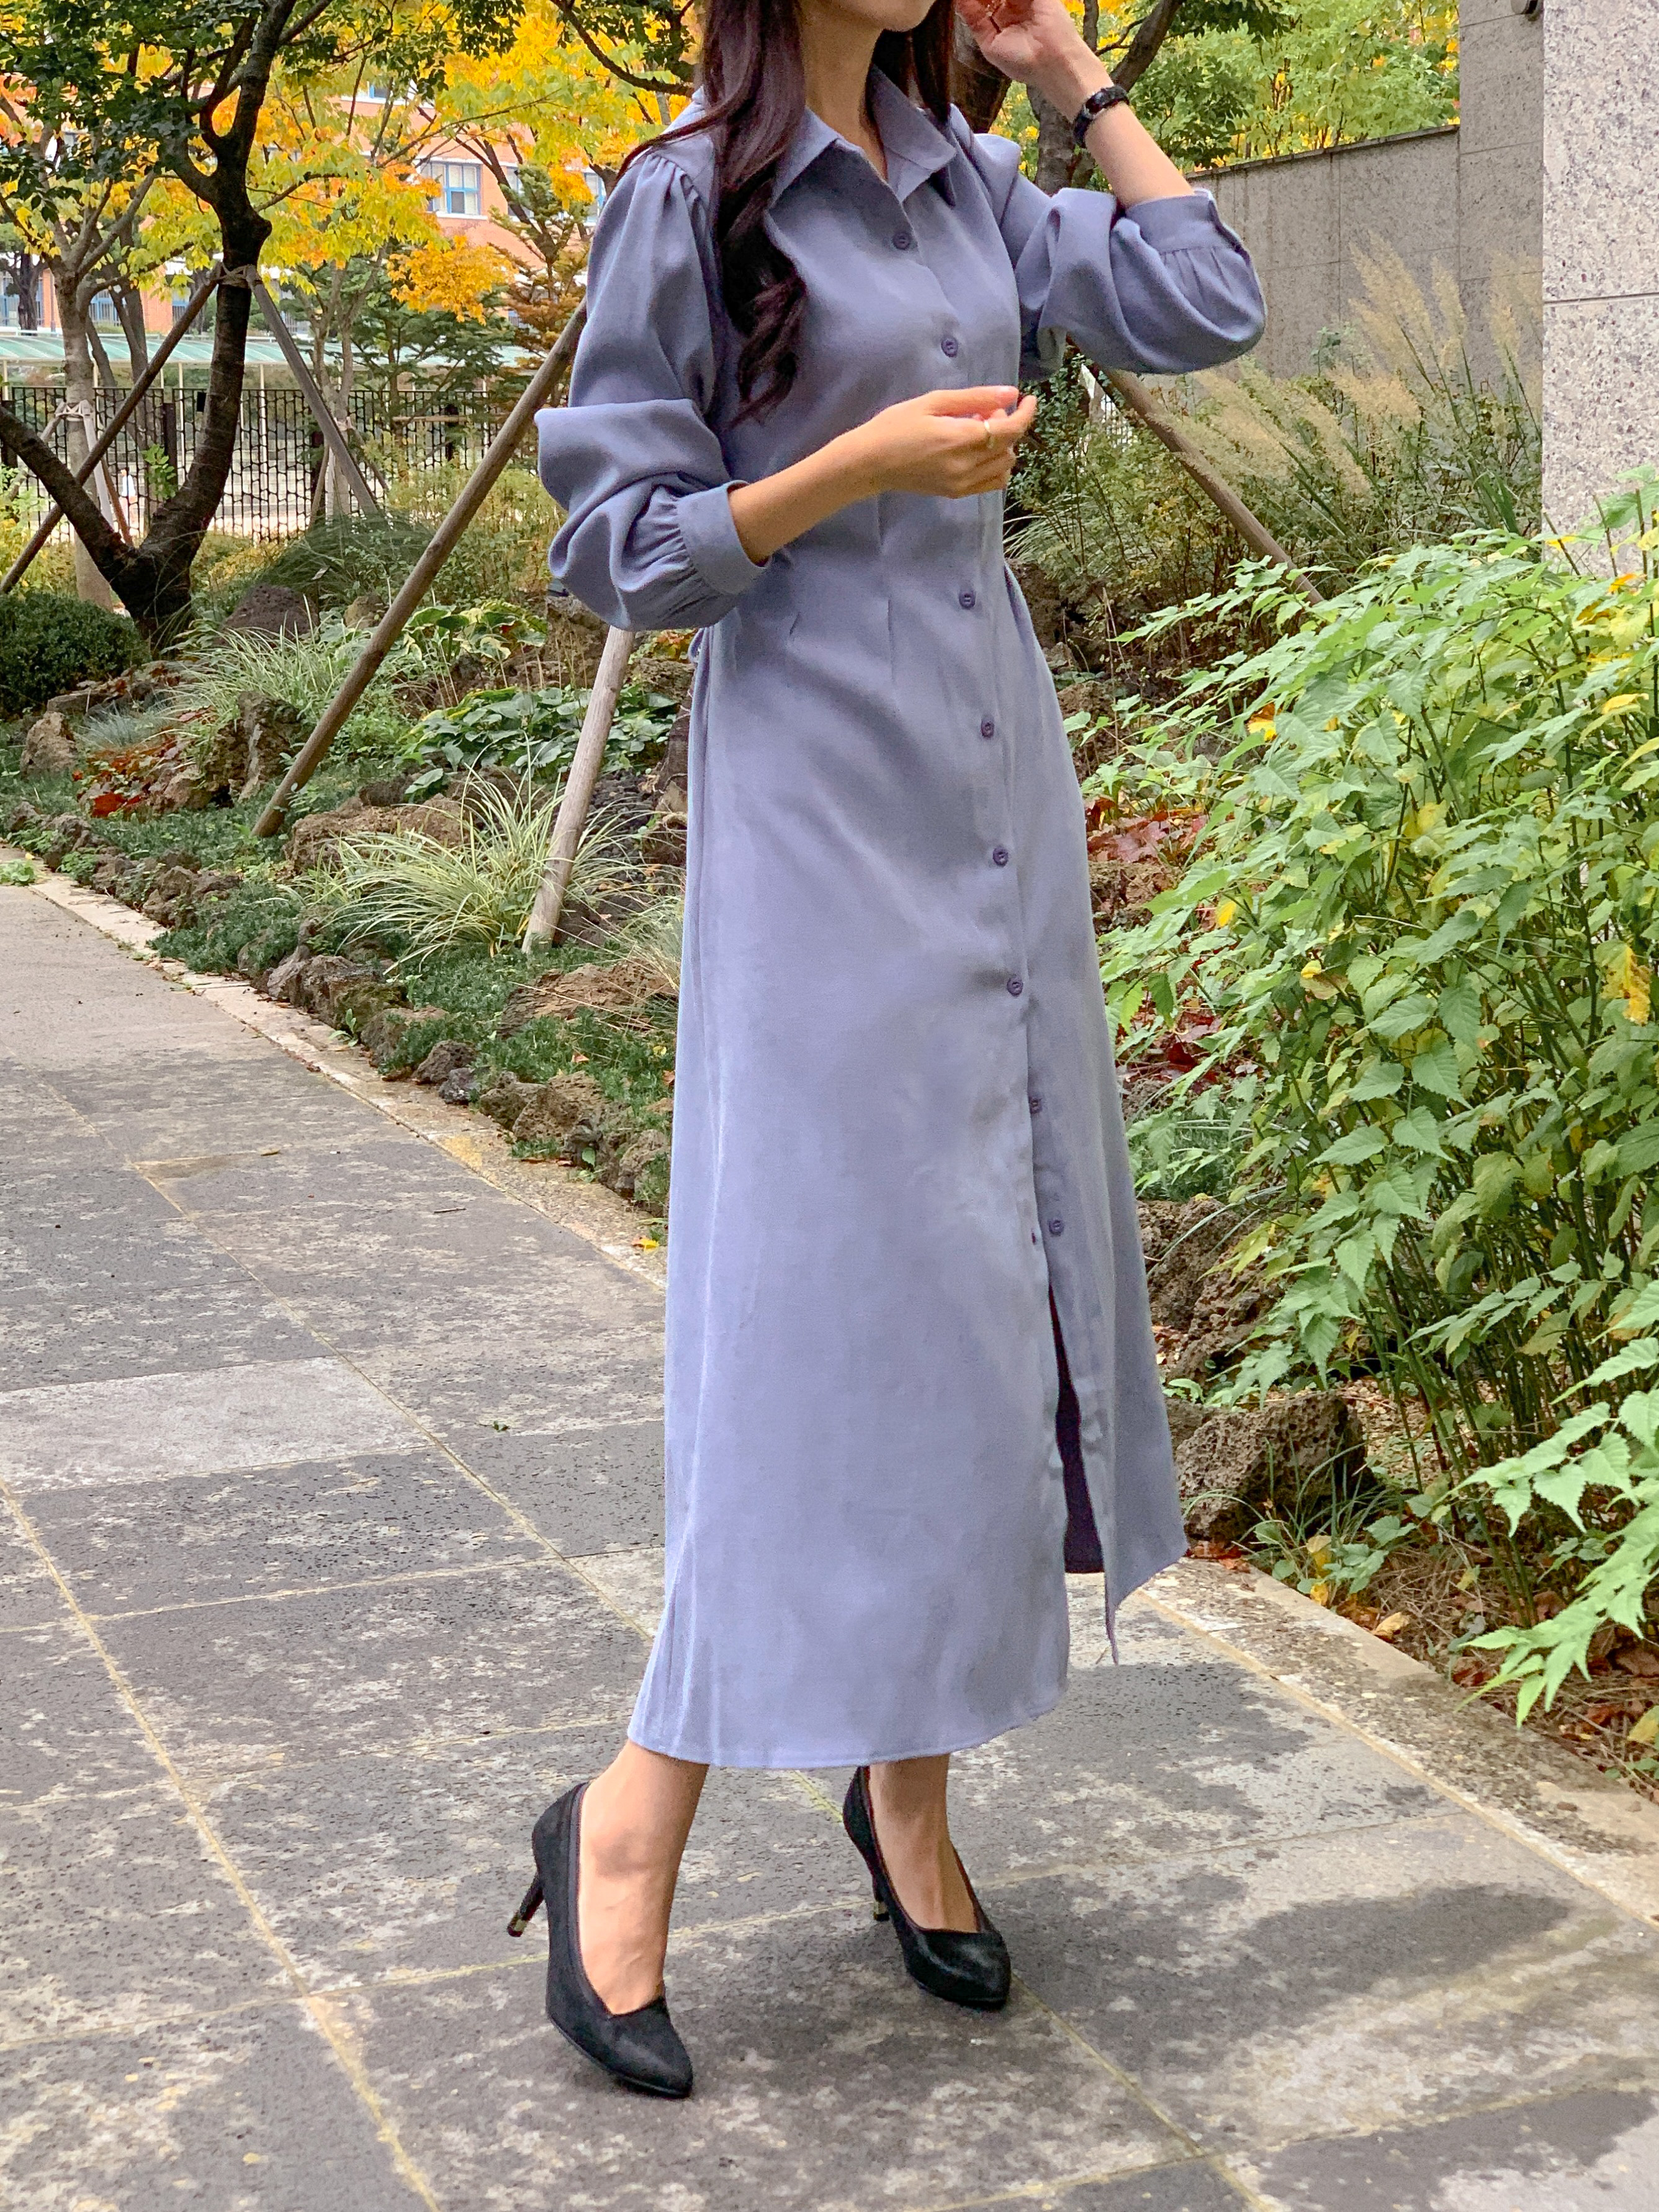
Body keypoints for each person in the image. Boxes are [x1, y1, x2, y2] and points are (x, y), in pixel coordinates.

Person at [515, 0, 1265, 2098]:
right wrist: (843, 470)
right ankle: (625, 1818)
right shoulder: (691, 198)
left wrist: (1065, 73)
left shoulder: (970, 186)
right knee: (816, 1322)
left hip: (990, 792)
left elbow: (1204, 301)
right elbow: (611, 551)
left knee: (981, 1302)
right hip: (817, 811)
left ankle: (904, 1797)